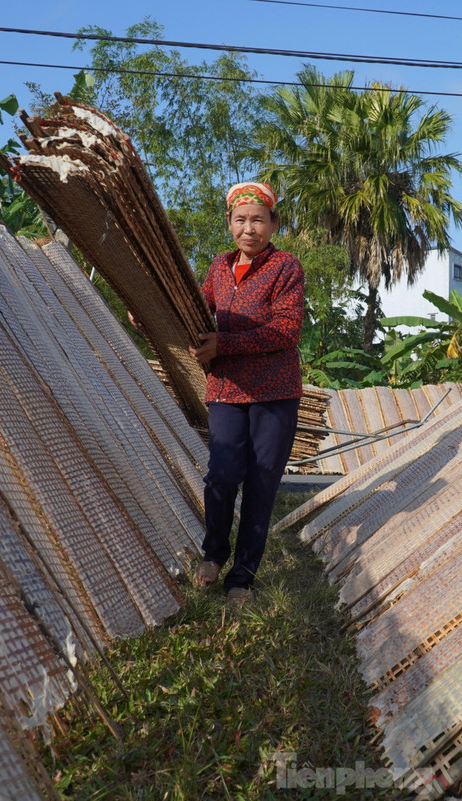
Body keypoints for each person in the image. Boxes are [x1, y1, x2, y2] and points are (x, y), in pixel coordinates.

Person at [188, 181, 304, 607]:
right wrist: (149, 311)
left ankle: (243, 578)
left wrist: (226, 343)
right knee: (222, 473)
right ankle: (213, 554)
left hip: (275, 391)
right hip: (225, 388)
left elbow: (286, 329)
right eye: (241, 220)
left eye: (258, 219)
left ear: (274, 223)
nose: (249, 228)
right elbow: (195, 312)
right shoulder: (218, 268)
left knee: (261, 483)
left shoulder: (285, 268)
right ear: (229, 223)